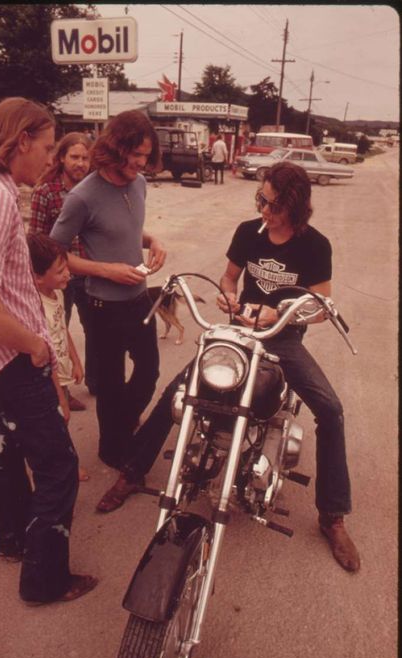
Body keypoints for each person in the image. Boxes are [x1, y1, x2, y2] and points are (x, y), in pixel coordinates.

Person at [97, 161, 361, 575]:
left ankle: (333, 515)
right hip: (237, 332)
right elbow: (229, 277)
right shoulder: (247, 232)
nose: (263, 211)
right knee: (179, 390)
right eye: (260, 200)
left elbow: (319, 309)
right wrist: (229, 298)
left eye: (271, 204)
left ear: (294, 206)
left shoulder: (315, 246)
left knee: (331, 409)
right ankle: (133, 472)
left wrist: (278, 315)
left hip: (282, 337)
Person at [0, 97, 98, 605]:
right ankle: (44, 582)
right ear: (21, 141)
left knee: (4, 452)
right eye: (48, 148)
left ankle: (10, 541)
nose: (51, 160)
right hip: (10, 355)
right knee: (58, 467)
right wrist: (34, 345)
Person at [50, 109, 167, 473]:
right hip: (103, 306)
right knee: (112, 384)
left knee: (149, 372)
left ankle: (122, 424)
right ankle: (111, 448)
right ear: (116, 148)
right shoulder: (83, 196)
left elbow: (126, 229)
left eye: (146, 156)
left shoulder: (140, 184)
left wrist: (154, 241)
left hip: (139, 299)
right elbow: (55, 252)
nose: (141, 163)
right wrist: (106, 270)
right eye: (135, 155)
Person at [28, 131, 98, 397]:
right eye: (75, 157)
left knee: (95, 329)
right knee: (58, 329)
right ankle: (63, 391)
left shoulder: (93, 191)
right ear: (61, 158)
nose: (80, 163)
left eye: (85, 158)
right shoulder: (46, 192)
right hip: (59, 276)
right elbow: (35, 239)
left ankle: (95, 381)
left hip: (89, 273)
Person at [28, 233, 90, 481]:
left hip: (61, 373)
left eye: (66, 268)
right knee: (56, 424)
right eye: (60, 271)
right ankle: (64, 468)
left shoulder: (59, 294)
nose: (67, 274)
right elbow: (44, 355)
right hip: (48, 377)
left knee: (57, 425)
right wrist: (62, 399)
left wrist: (75, 360)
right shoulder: (35, 305)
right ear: (37, 277)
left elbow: (63, 330)